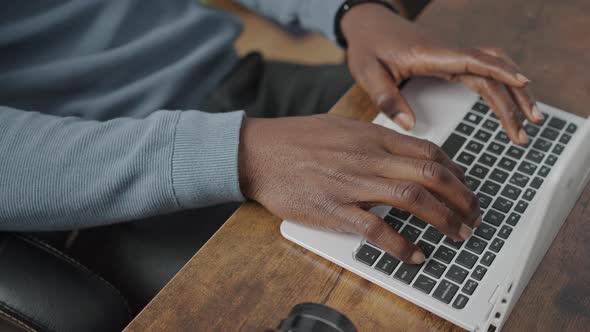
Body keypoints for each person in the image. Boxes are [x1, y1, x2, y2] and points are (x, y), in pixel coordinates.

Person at [0, 0, 541, 321]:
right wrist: (238, 152)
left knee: (509, 147)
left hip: (234, 82)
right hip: (107, 177)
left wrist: (353, 11)